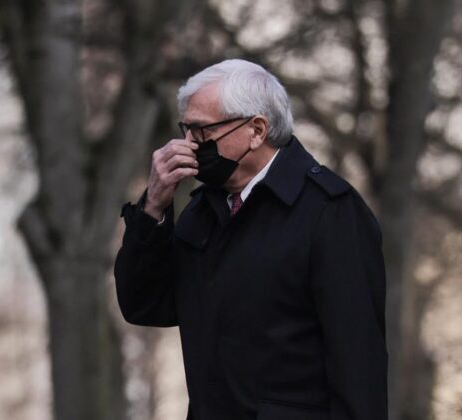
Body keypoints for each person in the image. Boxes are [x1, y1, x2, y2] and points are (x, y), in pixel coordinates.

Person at [114, 59, 388, 420]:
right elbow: (145, 304)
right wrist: (153, 207)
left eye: (201, 131)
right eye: (186, 130)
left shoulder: (329, 212)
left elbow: (359, 368)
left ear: (257, 130)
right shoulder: (203, 211)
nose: (188, 145)